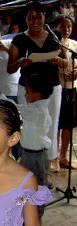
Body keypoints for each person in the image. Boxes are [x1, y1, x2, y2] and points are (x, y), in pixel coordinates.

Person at [7, 1, 62, 185]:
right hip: (28, 90)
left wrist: (58, 62)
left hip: (52, 88)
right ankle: (25, 171)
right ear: (26, 19)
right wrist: (21, 62)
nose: (35, 20)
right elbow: (10, 67)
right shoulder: (19, 40)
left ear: (44, 17)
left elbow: (66, 62)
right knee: (28, 128)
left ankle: (45, 170)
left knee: (51, 127)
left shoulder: (55, 36)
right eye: (30, 17)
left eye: (38, 16)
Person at [0, 72, 53, 216]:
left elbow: (14, 108)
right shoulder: (36, 109)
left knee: (34, 188)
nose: (26, 95)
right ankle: (25, 214)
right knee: (25, 185)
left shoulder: (36, 111)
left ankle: (34, 217)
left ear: (38, 93)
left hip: (35, 157)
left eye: (28, 91)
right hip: (29, 154)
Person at [53, 15, 77, 170]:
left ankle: (63, 157)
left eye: (68, 26)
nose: (66, 30)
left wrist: (75, 73)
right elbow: (51, 63)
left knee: (68, 125)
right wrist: (61, 74)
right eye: (62, 26)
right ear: (56, 27)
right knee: (56, 124)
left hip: (72, 88)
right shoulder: (53, 43)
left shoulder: (74, 44)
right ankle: (53, 158)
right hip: (58, 87)